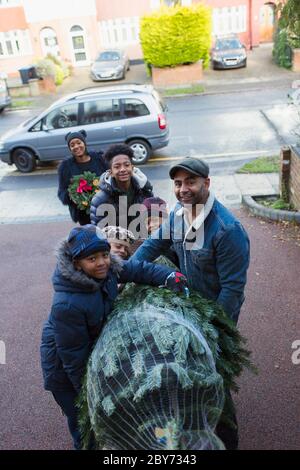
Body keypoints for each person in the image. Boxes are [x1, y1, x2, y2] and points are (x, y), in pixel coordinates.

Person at [131, 157, 250, 450]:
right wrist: (122, 273)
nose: (183, 189)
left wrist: (212, 330)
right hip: (187, 309)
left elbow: (233, 290)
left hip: (213, 315)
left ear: (206, 183)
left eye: (190, 182)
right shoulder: (180, 215)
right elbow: (152, 245)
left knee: (212, 376)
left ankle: (227, 439)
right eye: (178, 183)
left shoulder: (227, 229)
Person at [40, 225, 187, 449]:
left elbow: (139, 270)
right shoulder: (68, 304)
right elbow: (73, 358)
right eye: (92, 258)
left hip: (85, 350)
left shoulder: (106, 269)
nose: (102, 262)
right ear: (76, 263)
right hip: (64, 371)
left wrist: (169, 275)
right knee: (85, 424)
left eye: (105, 254)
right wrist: (91, 395)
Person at [90, 144, 153, 229]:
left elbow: (153, 221)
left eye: (126, 165)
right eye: (117, 166)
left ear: (132, 168)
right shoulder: (100, 200)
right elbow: (99, 233)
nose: (123, 169)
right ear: (110, 172)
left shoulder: (145, 191)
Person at [58, 130, 107, 225]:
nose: (76, 146)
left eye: (78, 143)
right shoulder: (66, 166)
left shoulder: (99, 159)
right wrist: (72, 197)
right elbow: (62, 191)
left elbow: (110, 178)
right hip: (83, 214)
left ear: (84, 143)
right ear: (69, 148)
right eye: (72, 145)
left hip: (105, 208)